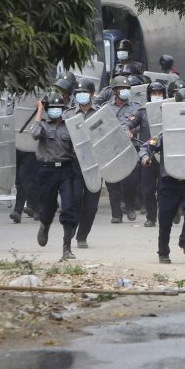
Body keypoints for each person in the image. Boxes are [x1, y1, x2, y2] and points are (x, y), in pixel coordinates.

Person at [139, 88, 185, 263]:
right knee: (165, 219)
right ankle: (163, 252)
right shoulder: (166, 134)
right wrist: (145, 158)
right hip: (169, 182)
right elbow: (146, 147)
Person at [31, 90, 81, 260]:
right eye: (52, 108)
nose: (55, 110)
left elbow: (81, 145)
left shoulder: (70, 125)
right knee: (48, 207)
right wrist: (39, 110)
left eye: (58, 108)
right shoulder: (43, 125)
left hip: (66, 170)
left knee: (68, 207)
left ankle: (66, 248)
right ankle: (45, 224)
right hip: (47, 171)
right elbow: (35, 134)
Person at [66, 76, 101, 248]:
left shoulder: (101, 113)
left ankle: (82, 236)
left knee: (91, 205)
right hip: (75, 164)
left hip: (95, 163)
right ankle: (72, 225)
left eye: (84, 92)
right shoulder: (69, 114)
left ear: (92, 94)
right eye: (78, 93)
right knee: (74, 199)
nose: (81, 96)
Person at [104, 75, 142, 223]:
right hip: (112, 149)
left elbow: (141, 123)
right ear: (114, 91)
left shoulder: (136, 107)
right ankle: (116, 214)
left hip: (130, 148)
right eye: (122, 88)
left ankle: (130, 206)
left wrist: (132, 131)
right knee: (113, 183)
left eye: (127, 88)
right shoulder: (106, 108)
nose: (125, 91)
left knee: (131, 181)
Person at [135, 80, 168, 227]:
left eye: (159, 94)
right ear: (149, 96)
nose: (157, 96)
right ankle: (151, 217)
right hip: (147, 156)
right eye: (154, 94)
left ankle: (164, 217)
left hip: (164, 156)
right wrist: (126, 130)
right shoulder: (142, 111)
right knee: (147, 190)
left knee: (164, 189)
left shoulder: (170, 110)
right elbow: (128, 123)